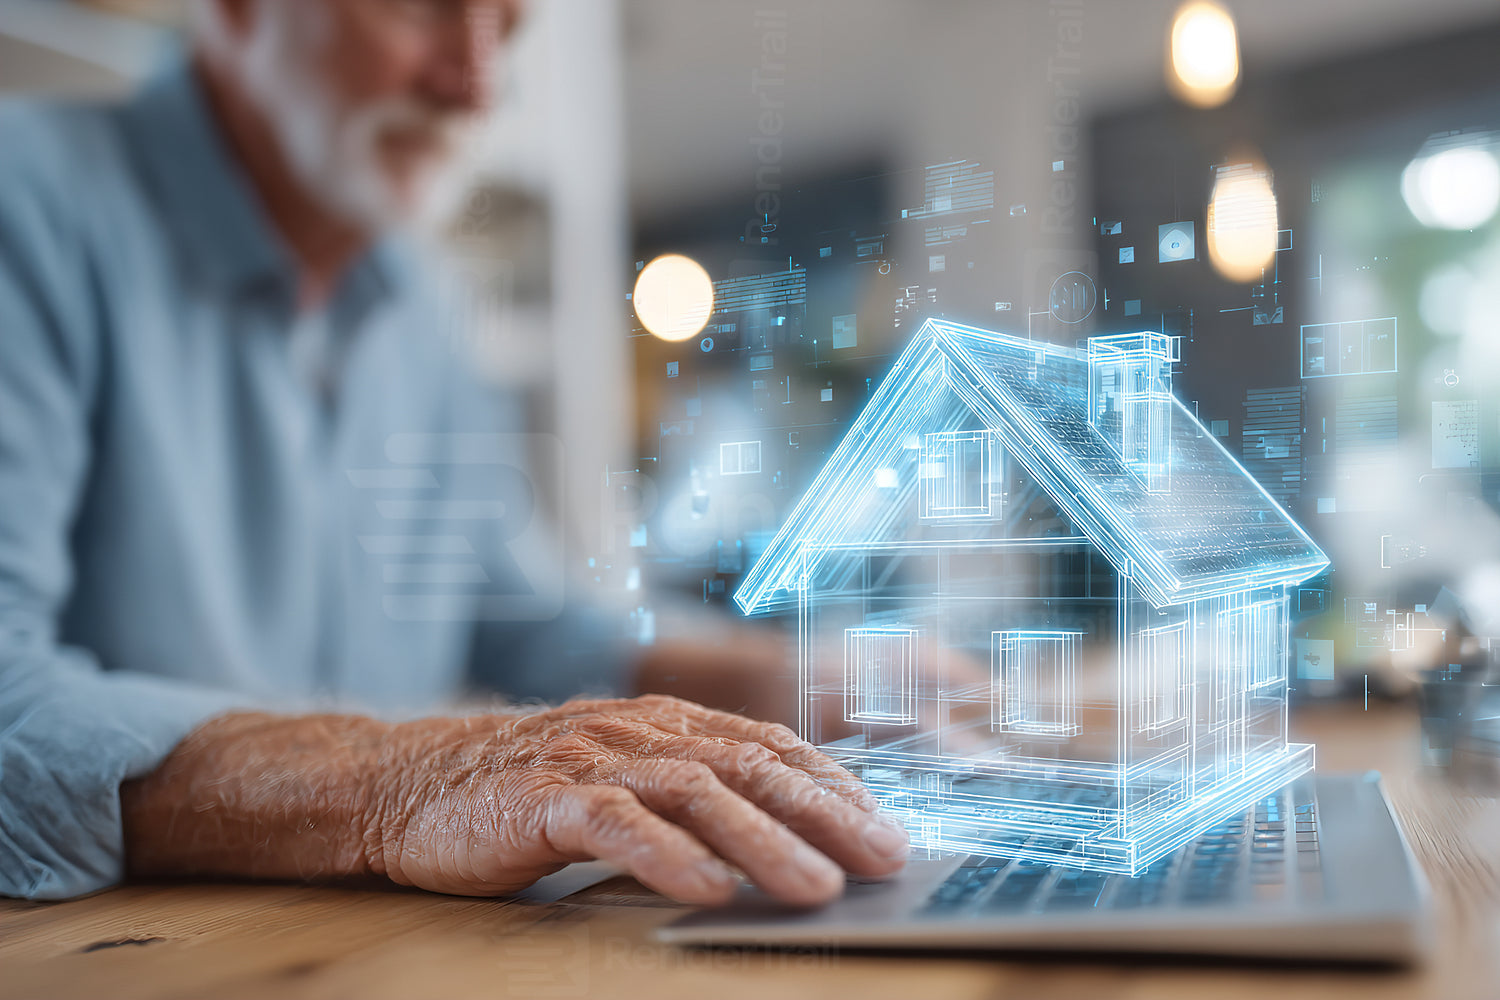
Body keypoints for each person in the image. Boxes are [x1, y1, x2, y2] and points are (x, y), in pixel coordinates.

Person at [0, 0, 908, 905]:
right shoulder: (27, 205)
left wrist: (786, 686)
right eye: (421, 9)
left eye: (504, 30)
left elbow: (525, 626)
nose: (475, 88)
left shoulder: (421, 311)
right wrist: (399, 782)